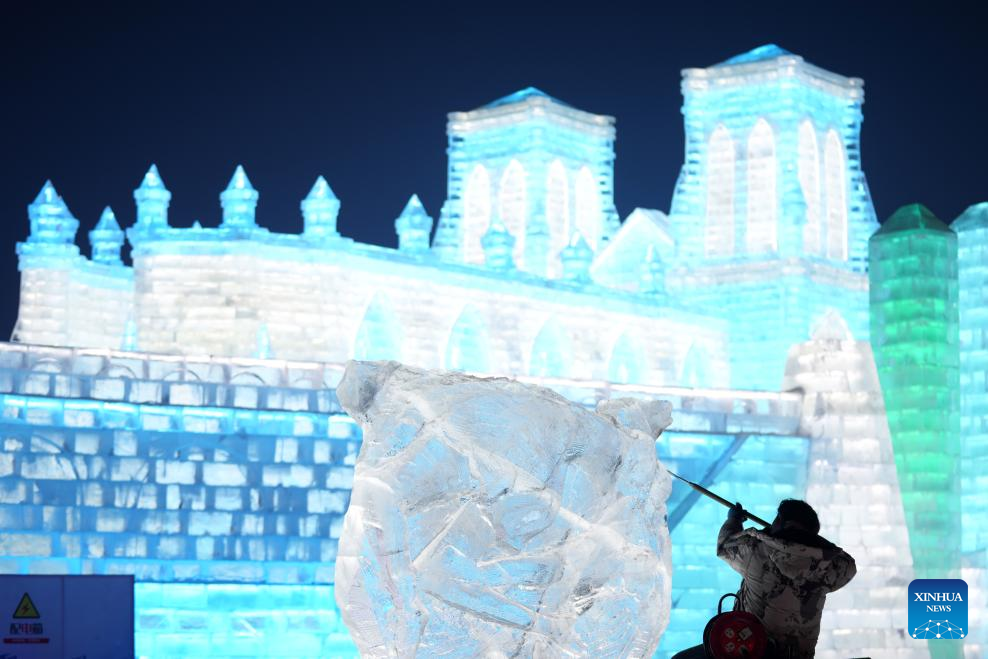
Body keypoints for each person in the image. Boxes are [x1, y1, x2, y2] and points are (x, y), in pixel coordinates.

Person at [673, 499, 856, 659]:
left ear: (782, 521)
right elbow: (846, 564)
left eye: (777, 519)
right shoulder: (830, 566)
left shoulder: (757, 550)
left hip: (751, 649)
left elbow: (725, 546)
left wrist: (734, 520)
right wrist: (817, 546)